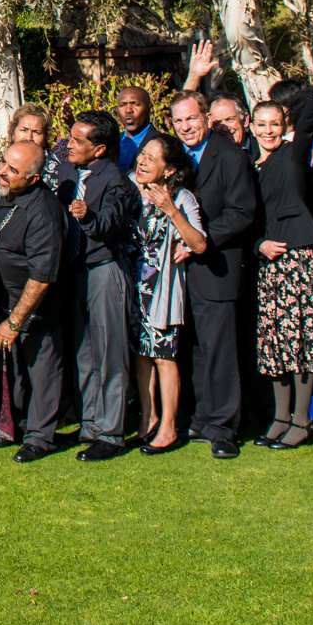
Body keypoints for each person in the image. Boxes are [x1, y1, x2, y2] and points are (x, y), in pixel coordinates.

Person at [250, 68, 313, 451]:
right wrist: (259, 247)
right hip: (269, 263)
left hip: (298, 260)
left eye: (274, 124)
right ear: (252, 127)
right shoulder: (252, 164)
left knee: (301, 341)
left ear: (283, 124)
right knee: (275, 343)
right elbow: (248, 220)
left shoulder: (293, 153)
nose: (268, 131)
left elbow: (306, 128)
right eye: (261, 124)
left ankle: (302, 420)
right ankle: (280, 417)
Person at [170, 88, 257, 459]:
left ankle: (224, 426)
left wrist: (200, 241)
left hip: (217, 266)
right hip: (181, 270)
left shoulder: (231, 157)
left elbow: (242, 212)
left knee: (221, 348)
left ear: (206, 118)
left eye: (191, 118)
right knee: (196, 347)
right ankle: (203, 416)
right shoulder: (178, 159)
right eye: (178, 121)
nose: (186, 126)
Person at [62, 111, 139, 462]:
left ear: (100, 149)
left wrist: (87, 216)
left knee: (110, 349)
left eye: (79, 141)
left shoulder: (116, 181)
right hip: (75, 271)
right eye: (70, 137)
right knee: (84, 351)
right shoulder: (67, 171)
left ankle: (111, 431)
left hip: (105, 268)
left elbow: (111, 223)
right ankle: (90, 421)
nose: (70, 145)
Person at [130, 135, 204, 454]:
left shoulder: (182, 197)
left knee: (163, 355)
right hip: (134, 285)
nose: (142, 161)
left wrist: (171, 210)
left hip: (163, 287)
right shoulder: (131, 190)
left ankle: (169, 426)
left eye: (151, 158)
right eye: (142, 155)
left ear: (169, 169)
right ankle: (148, 417)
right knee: (141, 354)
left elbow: (200, 243)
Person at [0, 140, 63, 462]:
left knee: (42, 372)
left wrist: (16, 321)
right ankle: (16, 427)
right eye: (4, 162)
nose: (3, 172)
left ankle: (40, 437)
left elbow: (41, 277)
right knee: (17, 374)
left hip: (35, 307)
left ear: (34, 179)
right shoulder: (3, 193)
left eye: (13, 170)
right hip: (4, 298)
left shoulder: (43, 211)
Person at [114, 84, 157, 173]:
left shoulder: (163, 143)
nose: (128, 110)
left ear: (149, 109)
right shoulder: (112, 142)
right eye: (123, 105)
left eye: (136, 104)